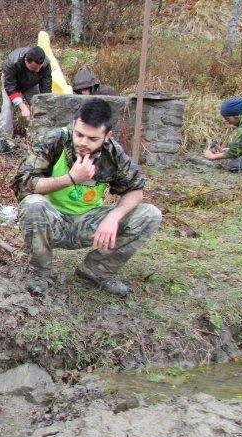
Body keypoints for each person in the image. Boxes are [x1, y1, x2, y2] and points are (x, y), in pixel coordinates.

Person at [12, 99, 162, 298]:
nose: (83, 142)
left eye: (92, 139)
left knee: (150, 214)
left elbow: (135, 189)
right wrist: (71, 178)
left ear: (107, 136)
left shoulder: (112, 153)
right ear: (74, 125)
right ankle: (40, 273)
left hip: (88, 224)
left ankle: (96, 270)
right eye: (79, 134)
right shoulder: (54, 140)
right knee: (32, 204)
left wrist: (114, 216)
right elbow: (23, 184)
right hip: (51, 221)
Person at [0, 45, 51, 136]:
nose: (38, 71)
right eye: (34, 69)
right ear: (26, 61)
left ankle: (40, 135)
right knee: (7, 107)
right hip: (11, 83)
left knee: (39, 105)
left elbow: (46, 86)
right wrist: (23, 107)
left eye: (40, 68)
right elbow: (10, 88)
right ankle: (4, 137)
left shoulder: (45, 63)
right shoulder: (12, 62)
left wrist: (45, 102)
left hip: (31, 84)